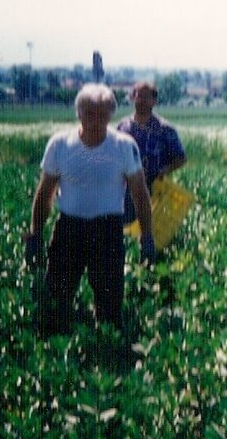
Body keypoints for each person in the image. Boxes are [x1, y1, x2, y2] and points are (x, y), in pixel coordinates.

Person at [24, 83, 155, 336]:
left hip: (107, 232)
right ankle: (59, 359)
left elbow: (140, 194)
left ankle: (106, 358)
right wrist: (35, 234)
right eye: (89, 114)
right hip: (68, 230)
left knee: (109, 306)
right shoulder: (60, 144)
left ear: (111, 116)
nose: (95, 121)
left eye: (102, 115)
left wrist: (147, 237)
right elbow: (44, 194)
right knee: (57, 298)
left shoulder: (124, 146)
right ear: (78, 114)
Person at [116, 81, 186, 223]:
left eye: (146, 97)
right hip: (126, 189)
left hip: (152, 187)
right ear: (132, 98)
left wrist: (163, 171)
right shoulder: (122, 127)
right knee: (125, 228)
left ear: (154, 101)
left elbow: (181, 158)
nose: (141, 100)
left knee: (150, 227)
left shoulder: (165, 129)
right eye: (137, 96)